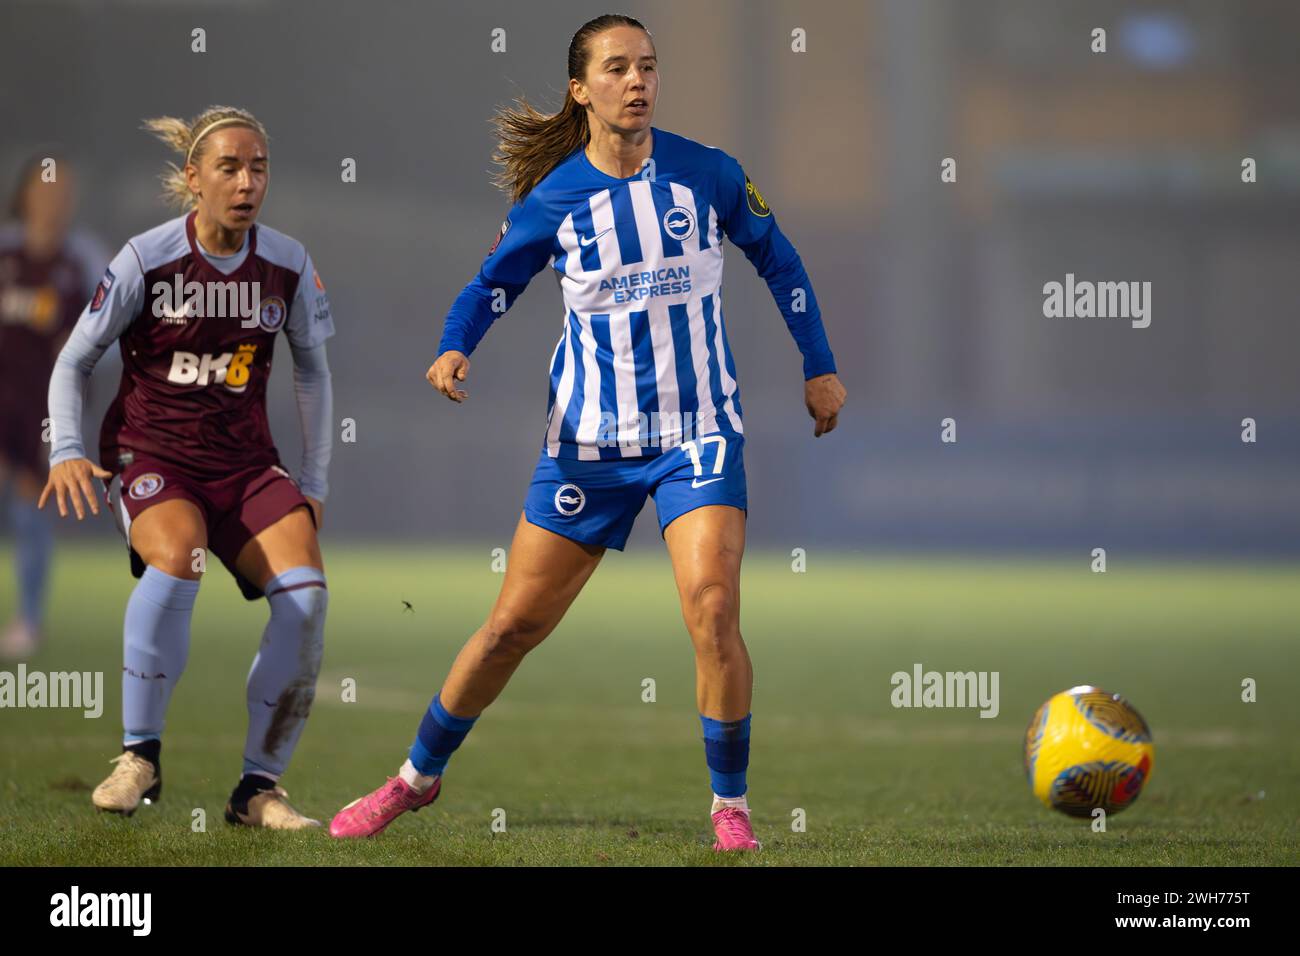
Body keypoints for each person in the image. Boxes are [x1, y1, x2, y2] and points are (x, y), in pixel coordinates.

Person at [330, 14, 846, 852]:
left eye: (648, 66)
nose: (638, 81)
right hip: (589, 447)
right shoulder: (555, 200)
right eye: (617, 68)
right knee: (508, 631)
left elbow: (780, 261)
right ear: (582, 89)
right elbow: (489, 284)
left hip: (698, 435)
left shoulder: (709, 175)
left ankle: (730, 807)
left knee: (712, 608)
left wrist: (817, 364)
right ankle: (413, 781)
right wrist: (455, 346)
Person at [41, 106, 336, 829]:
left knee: (307, 597)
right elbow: (76, 357)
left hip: (245, 465)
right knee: (178, 559)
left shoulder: (289, 264)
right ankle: (139, 757)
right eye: (229, 167)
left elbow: (314, 374)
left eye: (258, 166)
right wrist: (67, 450)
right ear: (192, 179)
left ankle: (257, 789)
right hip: (155, 457)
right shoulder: (147, 258)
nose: (246, 181)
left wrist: (315, 482)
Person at [0, 153, 108, 660]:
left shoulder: (84, 259)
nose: (55, 199)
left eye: (65, 191)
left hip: (48, 409)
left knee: (29, 507)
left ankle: (28, 620)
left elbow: (113, 331)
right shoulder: (5, 251)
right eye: (47, 188)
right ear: (25, 193)